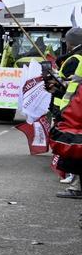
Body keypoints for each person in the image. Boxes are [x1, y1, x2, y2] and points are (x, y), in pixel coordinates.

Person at [48, 27, 82, 198]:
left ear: (70, 42)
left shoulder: (75, 58)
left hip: (72, 108)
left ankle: (75, 185)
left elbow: (72, 83)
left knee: (73, 147)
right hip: (74, 106)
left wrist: (57, 82)